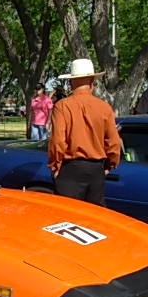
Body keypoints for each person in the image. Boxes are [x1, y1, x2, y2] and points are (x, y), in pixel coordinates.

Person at [47, 58, 121, 206]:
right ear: (92, 82)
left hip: (70, 169)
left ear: (70, 82)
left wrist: (55, 166)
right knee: (93, 217)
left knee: (69, 216)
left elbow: (58, 141)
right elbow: (113, 142)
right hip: (96, 169)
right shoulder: (104, 107)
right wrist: (110, 165)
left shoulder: (62, 106)